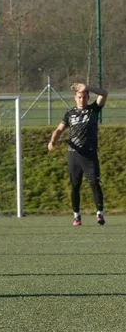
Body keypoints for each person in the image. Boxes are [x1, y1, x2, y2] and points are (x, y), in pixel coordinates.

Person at [48, 82, 108, 226]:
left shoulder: (93, 109)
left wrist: (87, 87)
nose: (82, 100)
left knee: (94, 182)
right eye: (79, 97)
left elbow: (104, 93)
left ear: (88, 97)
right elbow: (59, 130)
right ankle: (76, 216)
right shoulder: (70, 114)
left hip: (89, 155)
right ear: (75, 98)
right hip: (74, 155)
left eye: (84, 97)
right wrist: (53, 141)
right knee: (75, 186)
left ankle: (99, 213)